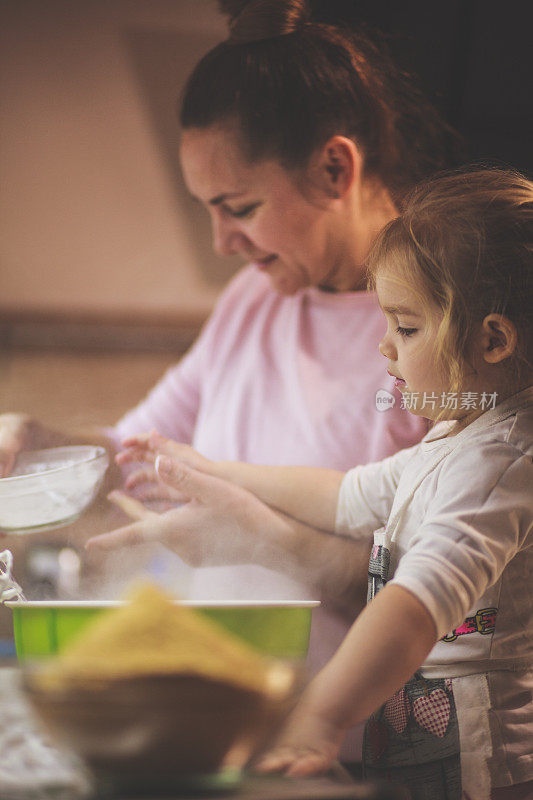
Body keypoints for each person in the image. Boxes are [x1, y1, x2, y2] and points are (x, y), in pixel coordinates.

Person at [0, 0, 460, 762]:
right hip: (213, 733)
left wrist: (266, 537)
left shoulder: (441, 334)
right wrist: (35, 441)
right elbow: (137, 453)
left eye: (238, 207)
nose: (220, 242)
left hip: (345, 753)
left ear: (334, 168)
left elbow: (456, 593)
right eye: (206, 211)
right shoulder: (257, 297)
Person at [88, 168, 533, 799]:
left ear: (492, 339)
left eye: (405, 328)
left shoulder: (499, 466)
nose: (385, 348)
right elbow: (346, 494)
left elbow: (414, 607)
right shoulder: (460, 439)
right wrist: (216, 471)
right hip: (424, 754)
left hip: (478, 771)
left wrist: (320, 715)